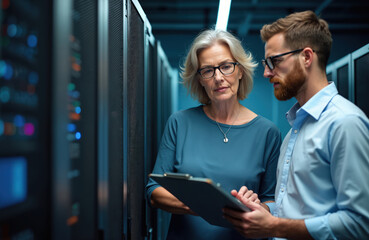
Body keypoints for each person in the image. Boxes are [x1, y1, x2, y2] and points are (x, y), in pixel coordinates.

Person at [223, 10, 369, 239]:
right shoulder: (293, 131)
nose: (266, 72)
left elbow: (359, 224)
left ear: (307, 57)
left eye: (275, 61)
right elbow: (291, 210)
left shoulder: (345, 123)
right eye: (265, 63)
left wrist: (272, 226)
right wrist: (261, 212)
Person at [146, 29, 282, 240]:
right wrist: (202, 204)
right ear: (200, 79)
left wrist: (255, 206)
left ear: (240, 71)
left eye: (226, 67)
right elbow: (154, 192)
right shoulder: (180, 123)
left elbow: (272, 201)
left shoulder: (267, 132)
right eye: (208, 70)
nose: (218, 77)